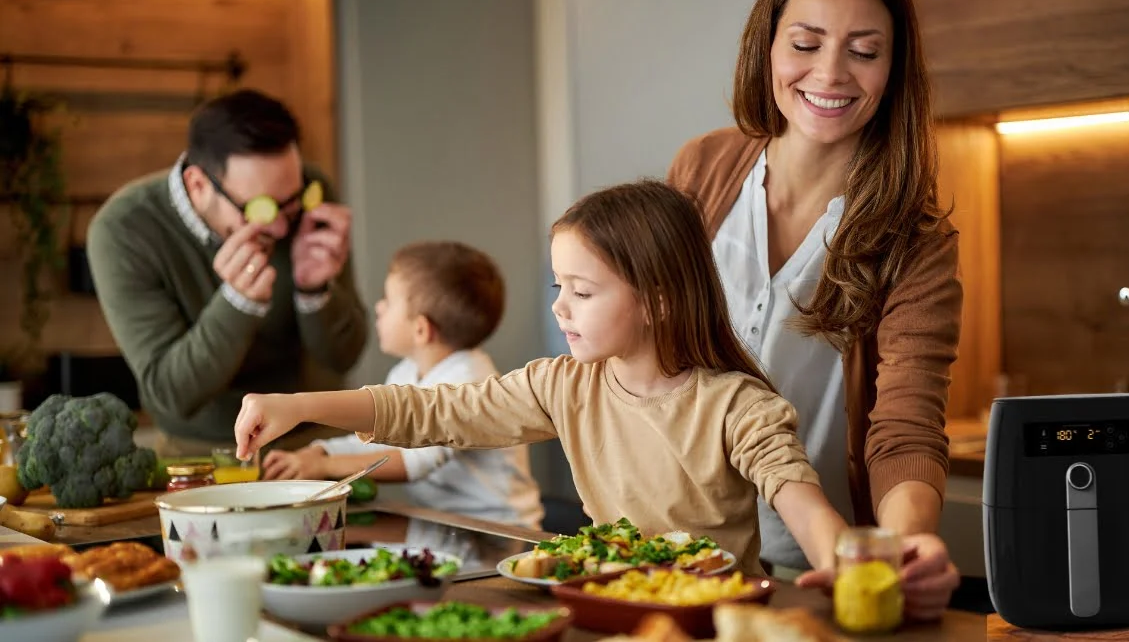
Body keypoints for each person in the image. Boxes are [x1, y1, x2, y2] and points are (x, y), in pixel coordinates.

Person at [232, 180, 850, 575]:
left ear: (658, 301)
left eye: (582, 291)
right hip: (607, 606)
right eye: (561, 287)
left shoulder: (736, 406)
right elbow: (431, 412)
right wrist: (298, 405)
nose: (560, 307)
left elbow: (799, 498)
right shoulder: (562, 386)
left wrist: (841, 567)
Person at [666, 0, 961, 620]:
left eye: (863, 51)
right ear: (766, 48)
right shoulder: (702, 171)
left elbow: (905, 424)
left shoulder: (915, 237)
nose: (830, 74)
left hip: (814, 569)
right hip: (674, 554)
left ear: (894, 68)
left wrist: (907, 543)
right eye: (805, 44)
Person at [87, 89, 368, 457]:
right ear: (199, 185)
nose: (283, 228)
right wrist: (238, 303)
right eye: (261, 208)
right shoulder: (123, 230)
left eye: (291, 204)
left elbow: (343, 357)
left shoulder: (306, 193)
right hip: (202, 454)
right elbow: (172, 394)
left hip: (314, 445)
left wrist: (314, 292)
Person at [261, 241, 545, 529]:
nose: (378, 306)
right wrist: (321, 451)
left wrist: (323, 467)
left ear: (421, 329)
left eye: (388, 299)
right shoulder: (406, 371)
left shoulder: (470, 379)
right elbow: (380, 435)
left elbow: (415, 462)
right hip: (443, 525)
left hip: (499, 530)